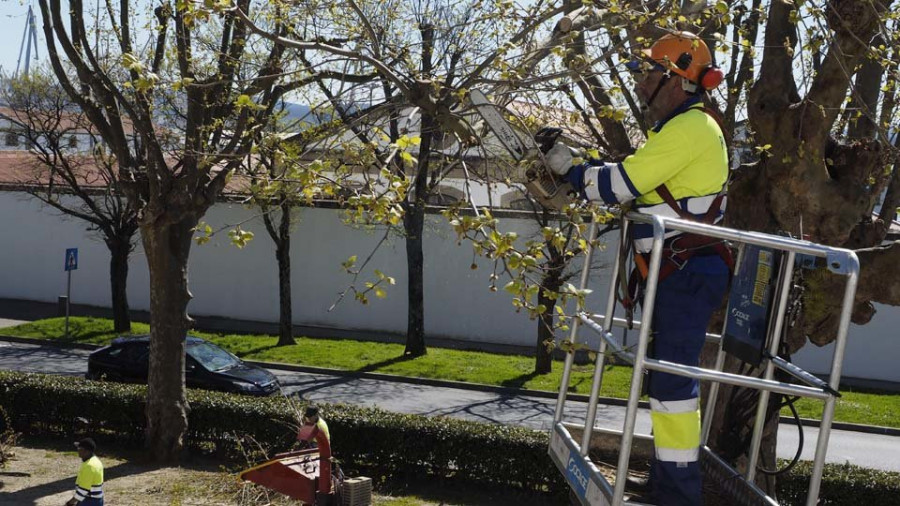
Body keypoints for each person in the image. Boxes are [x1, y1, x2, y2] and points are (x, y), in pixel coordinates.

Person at [546, 32, 731, 506]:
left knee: (673, 387)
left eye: (647, 71)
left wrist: (572, 171)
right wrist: (586, 169)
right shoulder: (678, 131)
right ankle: (672, 483)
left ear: (674, 80)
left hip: (687, 273)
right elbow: (634, 179)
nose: (641, 80)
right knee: (667, 385)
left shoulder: (691, 129)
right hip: (680, 272)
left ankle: (680, 494)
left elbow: (622, 183)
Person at [297, 405, 333, 506]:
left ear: (316, 415)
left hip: (321, 450)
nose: (308, 418)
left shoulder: (320, 425)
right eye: (307, 416)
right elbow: (304, 437)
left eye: (310, 416)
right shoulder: (312, 421)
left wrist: (300, 449)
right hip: (313, 447)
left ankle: (312, 498)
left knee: (314, 475)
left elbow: (307, 440)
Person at [66, 437, 104, 506]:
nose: (77, 451)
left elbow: (83, 490)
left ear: (86, 451)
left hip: (89, 501)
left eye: (79, 449)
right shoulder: (95, 461)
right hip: (95, 500)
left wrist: (70, 502)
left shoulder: (90, 466)